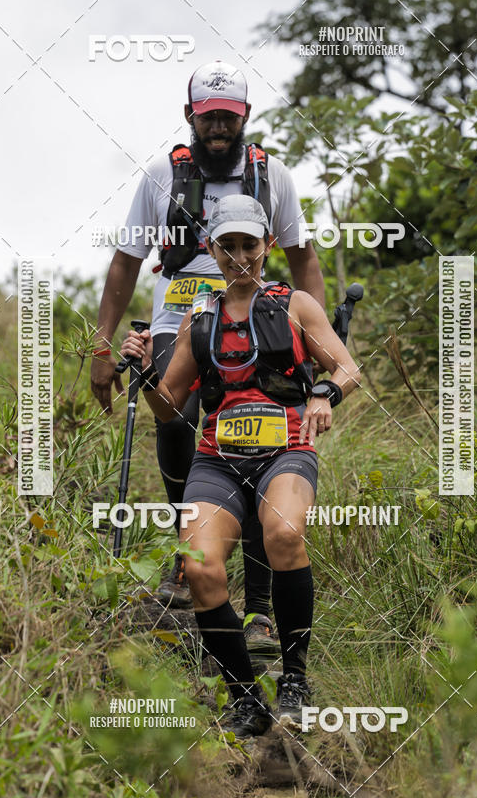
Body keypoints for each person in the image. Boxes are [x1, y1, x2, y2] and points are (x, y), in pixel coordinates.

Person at [91, 61, 325, 653]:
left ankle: (262, 605)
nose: (218, 127)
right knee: (176, 410)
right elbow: (124, 260)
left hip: (263, 312)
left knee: (261, 432)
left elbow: (303, 259)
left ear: (244, 117)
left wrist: (312, 341)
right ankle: (190, 543)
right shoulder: (160, 176)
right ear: (190, 117)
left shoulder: (274, 179)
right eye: (208, 117)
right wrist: (102, 345)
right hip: (182, 314)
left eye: (229, 117)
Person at [120, 195, 360, 737]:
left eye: (249, 245)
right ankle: (245, 697)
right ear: (212, 249)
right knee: (201, 566)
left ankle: (294, 681)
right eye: (227, 247)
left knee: (283, 533)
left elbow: (347, 368)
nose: (239, 257)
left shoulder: (296, 305)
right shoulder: (197, 318)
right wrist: (141, 373)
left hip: (286, 451)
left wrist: (323, 394)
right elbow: (170, 407)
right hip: (218, 462)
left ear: (267, 245)